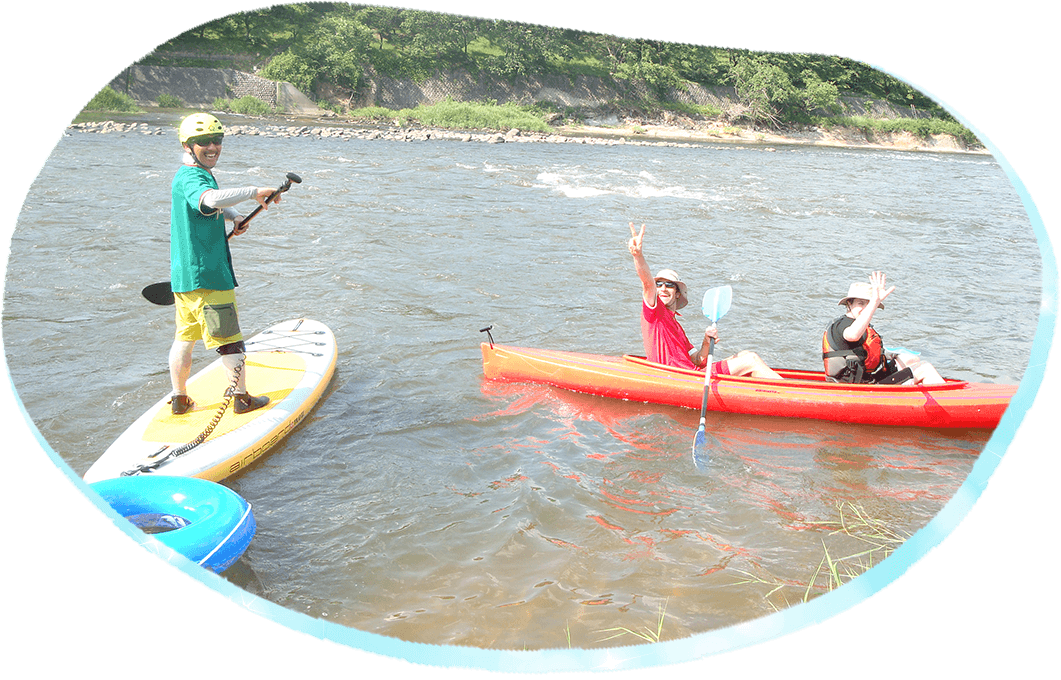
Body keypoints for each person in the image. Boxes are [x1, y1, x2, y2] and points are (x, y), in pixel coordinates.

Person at [168, 113, 281, 415]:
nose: (212, 146)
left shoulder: (189, 174)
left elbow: (208, 207)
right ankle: (241, 399)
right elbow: (208, 199)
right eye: (203, 142)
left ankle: (179, 399)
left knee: (185, 338)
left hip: (184, 279)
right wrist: (252, 192)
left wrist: (234, 217)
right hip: (209, 277)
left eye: (217, 141)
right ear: (187, 144)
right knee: (231, 342)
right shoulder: (194, 177)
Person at [628, 222, 782, 379]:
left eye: (669, 285)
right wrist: (638, 256)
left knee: (745, 354)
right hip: (678, 378)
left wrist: (706, 342)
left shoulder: (677, 326)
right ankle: (794, 395)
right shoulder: (654, 312)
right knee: (752, 360)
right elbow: (647, 284)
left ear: (678, 293)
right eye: (659, 284)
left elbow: (698, 360)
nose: (662, 289)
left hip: (691, 372)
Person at [822, 271, 945, 385]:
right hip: (857, 387)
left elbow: (864, 352)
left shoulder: (861, 324)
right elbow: (852, 335)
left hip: (867, 379)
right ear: (849, 304)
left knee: (911, 359)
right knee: (925, 368)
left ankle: (915, 394)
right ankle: (947, 401)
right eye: (860, 303)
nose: (866, 308)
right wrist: (874, 302)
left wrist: (890, 354)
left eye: (868, 304)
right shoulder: (843, 325)